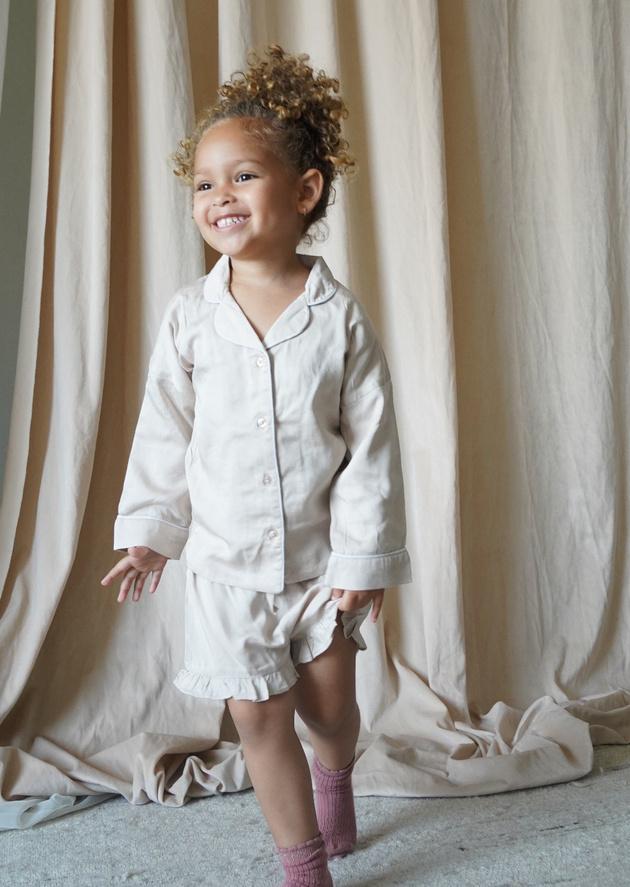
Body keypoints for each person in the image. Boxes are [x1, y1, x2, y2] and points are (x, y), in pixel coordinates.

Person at [100, 43, 412, 887]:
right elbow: (163, 430)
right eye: (204, 183)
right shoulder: (190, 319)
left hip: (320, 571)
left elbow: (371, 448)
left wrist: (363, 560)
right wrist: (151, 532)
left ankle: (336, 772)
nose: (220, 196)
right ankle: (303, 866)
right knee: (258, 720)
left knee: (328, 712)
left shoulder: (339, 319)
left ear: (304, 192)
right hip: (226, 570)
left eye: (243, 176)